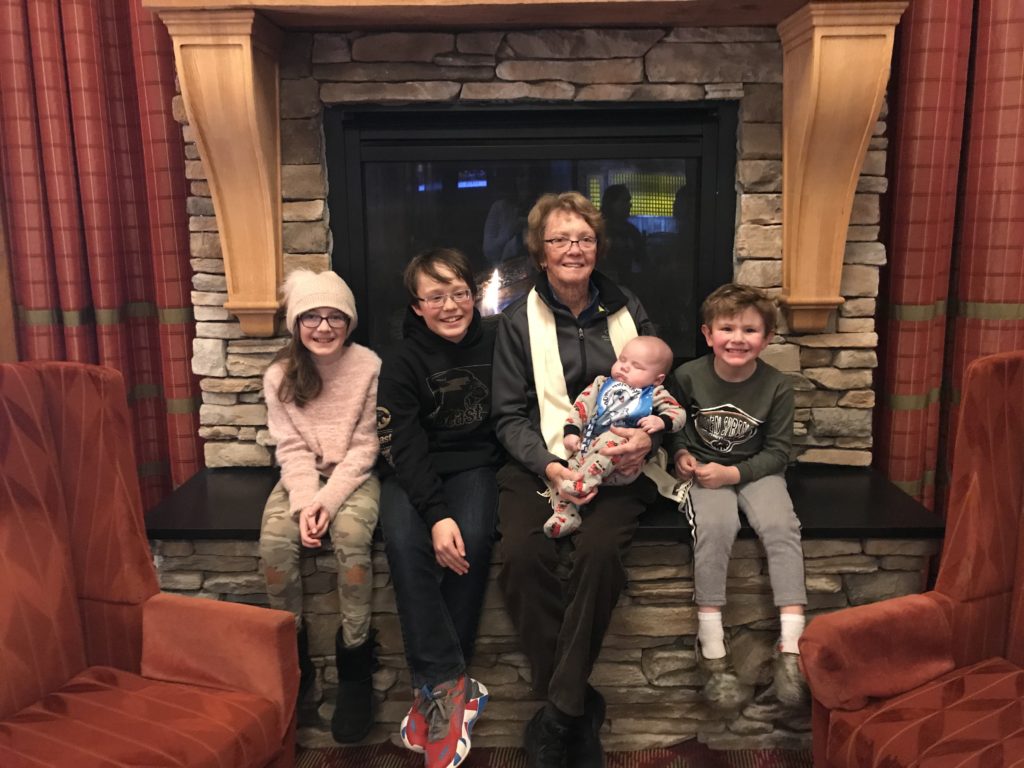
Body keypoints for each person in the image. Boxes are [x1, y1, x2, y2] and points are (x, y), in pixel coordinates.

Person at [493, 191, 664, 768]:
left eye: (584, 238)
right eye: (560, 239)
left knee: (598, 552)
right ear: (540, 252)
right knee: (521, 555)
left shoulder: (628, 307)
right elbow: (507, 416)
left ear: (598, 248)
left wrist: (648, 440)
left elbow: (661, 388)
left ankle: (558, 717)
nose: (573, 249)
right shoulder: (517, 321)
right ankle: (575, 707)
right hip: (541, 460)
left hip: (620, 465)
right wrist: (550, 465)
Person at [376, 248, 504, 768]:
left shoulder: (500, 341)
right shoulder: (402, 360)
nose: (450, 306)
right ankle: (452, 689)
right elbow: (402, 444)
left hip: (476, 465)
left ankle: (434, 696)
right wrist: (434, 513)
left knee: (470, 539)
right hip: (413, 471)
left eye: (459, 293)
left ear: (474, 295)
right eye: (435, 297)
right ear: (416, 306)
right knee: (406, 545)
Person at [668, 283, 808, 710]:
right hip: (706, 474)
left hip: (756, 469)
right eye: (727, 328)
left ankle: (792, 646)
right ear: (708, 334)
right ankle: (712, 647)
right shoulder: (688, 377)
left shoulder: (777, 386)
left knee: (781, 526)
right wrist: (681, 456)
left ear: (767, 338)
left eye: (750, 330)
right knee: (716, 526)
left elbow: (779, 452)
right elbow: (673, 427)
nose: (737, 338)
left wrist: (734, 473)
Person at [259, 269, 381, 743]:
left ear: (349, 323)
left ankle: (355, 667)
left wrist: (328, 504)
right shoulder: (279, 376)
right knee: (275, 543)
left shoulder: (368, 366)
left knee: (351, 538)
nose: (324, 327)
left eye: (335, 317)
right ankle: (293, 662)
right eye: (312, 317)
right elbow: (290, 449)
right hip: (302, 477)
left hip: (354, 475)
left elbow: (365, 448)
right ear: (296, 323)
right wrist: (306, 503)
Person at [544, 335, 685, 538]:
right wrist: (572, 431)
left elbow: (678, 413)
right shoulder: (601, 384)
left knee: (612, 442)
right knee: (566, 473)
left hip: (623, 462)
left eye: (636, 366)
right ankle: (565, 515)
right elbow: (581, 406)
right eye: (622, 360)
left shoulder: (654, 393)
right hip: (588, 450)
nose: (624, 367)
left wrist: (661, 421)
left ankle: (585, 482)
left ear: (657, 379)